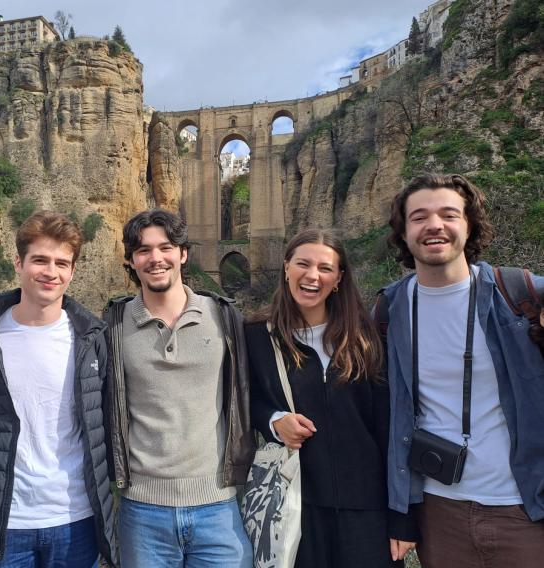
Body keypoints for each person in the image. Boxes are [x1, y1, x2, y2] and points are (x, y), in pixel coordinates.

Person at [381, 173, 544, 567]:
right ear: (403, 232)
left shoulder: (521, 293)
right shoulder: (390, 309)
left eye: (448, 214)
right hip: (439, 512)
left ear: (468, 225)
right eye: (419, 216)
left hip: (526, 508)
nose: (434, 225)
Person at [245, 228, 418, 568]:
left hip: (368, 510)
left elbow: (391, 427)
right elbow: (243, 402)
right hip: (295, 504)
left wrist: (403, 516)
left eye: (325, 268)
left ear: (339, 278)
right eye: (303, 264)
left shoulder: (368, 337)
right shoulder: (257, 336)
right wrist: (273, 420)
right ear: (286, 268)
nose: (312, 276)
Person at [0, 211, 115, 568]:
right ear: (19, 263)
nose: (51, 272)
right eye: (40, 260)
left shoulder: (92, 339)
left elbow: (100, 420)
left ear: (73, 271)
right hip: (4, 523)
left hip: (76, 517)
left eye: (62, 263)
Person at [104, 208, 254, 568]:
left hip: (218, 505)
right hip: (143, 509)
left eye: (166, 247)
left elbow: (254, 388)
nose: (156, 258)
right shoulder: (112, 326)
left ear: (183, 254)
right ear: (131, 261)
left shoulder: (223, 316)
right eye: (143, 250)